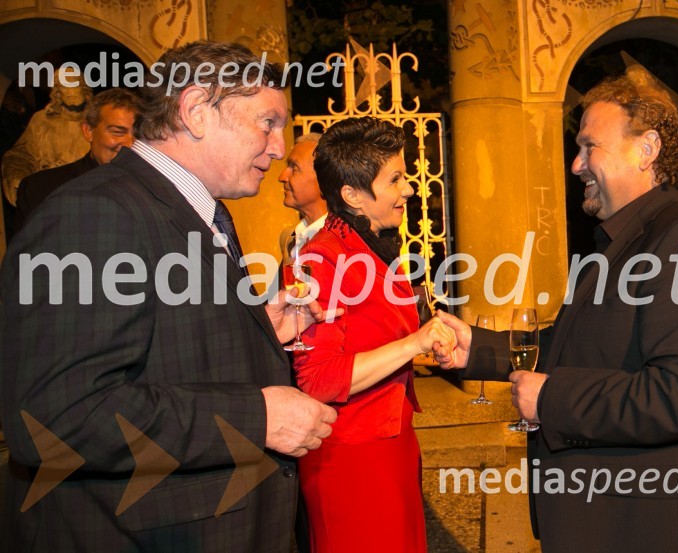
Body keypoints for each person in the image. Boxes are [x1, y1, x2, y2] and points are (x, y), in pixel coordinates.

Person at [0, 41, 337, 552]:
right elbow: (56, 416)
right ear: (197, 110)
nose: (276, 146)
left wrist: (256, 326)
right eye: (267, 122)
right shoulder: (95, 214)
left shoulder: (185, 207)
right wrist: (257, 418)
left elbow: (155, 349)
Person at [434, 69, 678, 553]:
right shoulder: (623, 240)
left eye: (591, 147)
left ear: (647, 149)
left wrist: (552, 401)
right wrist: (478, 349)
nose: (576, 164)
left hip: (655, 527)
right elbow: (580, 347)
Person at [292, 116, 455, 553]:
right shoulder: (322, 258)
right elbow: (317, 379)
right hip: (350, 458)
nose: (409, 189)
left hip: (391, 443)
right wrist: (414, 343)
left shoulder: (374, 245)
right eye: (396, 179)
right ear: (351, 195)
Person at [14, 88, 140, 232]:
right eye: (117, 132)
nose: (130, 144)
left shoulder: (154, 188)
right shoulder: (42, 189)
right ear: (88, 131)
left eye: (139, 134)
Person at [2, 69, 93, 205]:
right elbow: (21, 156)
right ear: (57, 92)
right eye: (63, 87)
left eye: (74, 85)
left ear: (84, 88)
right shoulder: (42, 120)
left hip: (89, 196)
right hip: (49, 197)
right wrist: (18, 176)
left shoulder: (97, 120)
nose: (70, 93)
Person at [278, 132, 327, 267]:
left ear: (324, 180)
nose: (282, 177)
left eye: (294, 168)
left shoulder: (346, 241)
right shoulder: (291, 238)